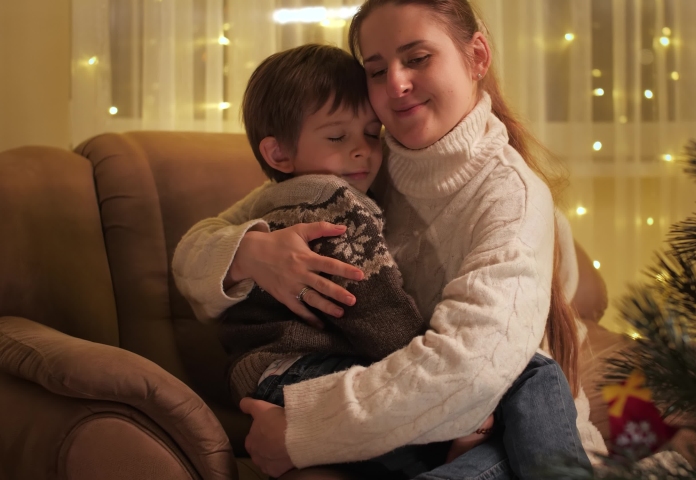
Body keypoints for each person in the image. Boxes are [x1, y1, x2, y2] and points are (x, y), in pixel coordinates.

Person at [172, 0, 608, 477]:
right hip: (411, 415)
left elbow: (466, 371)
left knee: (529, 388)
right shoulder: (359, 169)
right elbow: (196, 247)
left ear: (477, 56)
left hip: (499, 426)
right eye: (376, 70)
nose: (396, 84)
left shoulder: (511, 196)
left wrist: (303, 429)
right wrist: (250, 253)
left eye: (417, 59)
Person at [218, 43, 495, 478]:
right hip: (303, 373)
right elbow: (376, 308)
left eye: (371, 133)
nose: (362, 150)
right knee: (414, 419)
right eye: (336, 137)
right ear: (278, 154)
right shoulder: (333, 202)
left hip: (263, 377)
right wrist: (441, 394)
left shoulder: (269, 203)